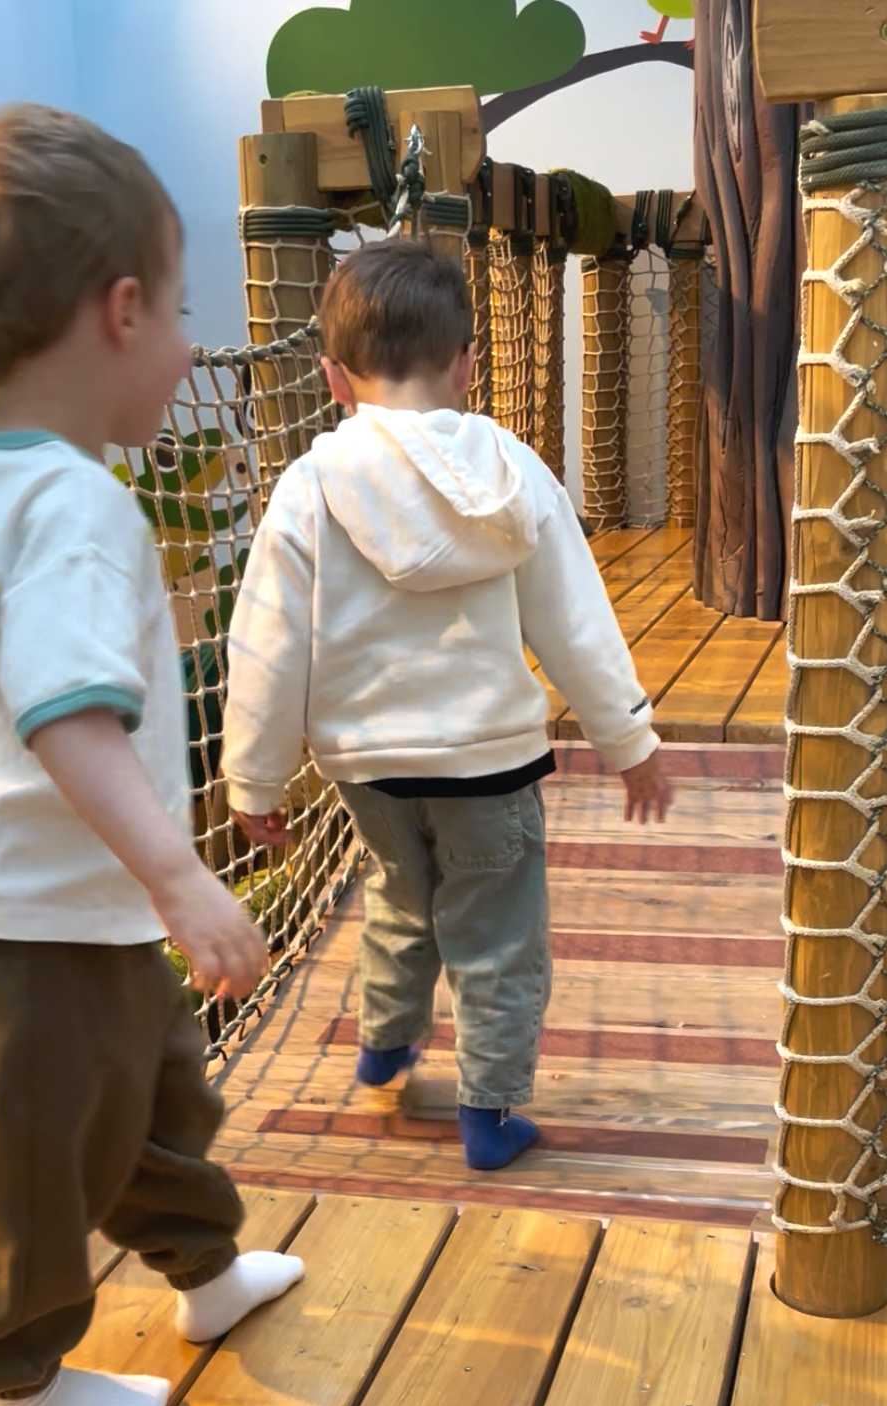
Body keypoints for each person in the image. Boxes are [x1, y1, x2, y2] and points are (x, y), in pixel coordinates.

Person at [0, 105, 304, 1406]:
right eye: (178, 312)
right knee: (37, 1146)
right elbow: (67, 717)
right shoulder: (76, 508)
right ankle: (19, 1382)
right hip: (21, 921)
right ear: (122, 313)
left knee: (153, 1095)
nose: (184, 344)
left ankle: (206, 1271)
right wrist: (183, 880)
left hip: (64, 906)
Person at [223, 237, 668, 1172]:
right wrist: (628, 738)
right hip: (487, 764)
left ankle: (385, 1043)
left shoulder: (309, 488)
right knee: (496, 933)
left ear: (334, 378)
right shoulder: (511, 474)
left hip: (369, 769)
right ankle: (488, 1112)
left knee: (400, 896)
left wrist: (253, 780)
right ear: (468, 363)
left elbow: (267, 643)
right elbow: (572, 619)